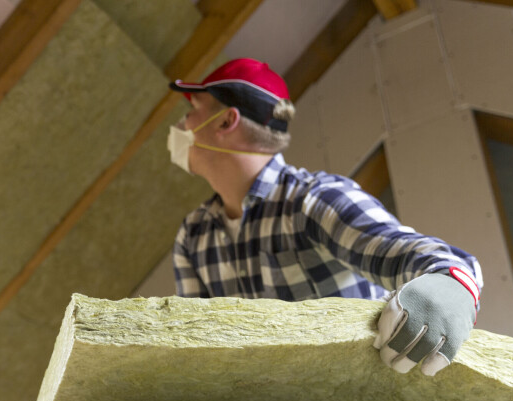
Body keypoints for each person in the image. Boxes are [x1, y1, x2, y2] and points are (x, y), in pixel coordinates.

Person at [168, 58, 481, 377]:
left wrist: (451, 284)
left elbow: (411, 252)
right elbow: (198, 349)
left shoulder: (311, 200)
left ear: (225, 122)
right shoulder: (193, 237)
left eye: (192, 110)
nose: (182, 126)